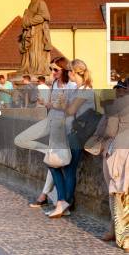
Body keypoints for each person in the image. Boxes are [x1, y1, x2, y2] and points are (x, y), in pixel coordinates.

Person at [14, 56, 74, 209]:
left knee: (52, 162)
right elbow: (53, 105)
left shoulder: (71, 85)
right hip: (50, 120)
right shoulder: (54, 83)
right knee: (20, 139)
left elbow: (70, 109)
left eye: (55, 69)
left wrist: (50, 104)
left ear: (64, 70)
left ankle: (44, 195)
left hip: (63, 125)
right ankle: (47, 151)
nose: (52, 72)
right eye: (51, 69)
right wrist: (47, 104)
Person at [47, 59, 95, 218]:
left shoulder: (85, 90)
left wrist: (57, 105)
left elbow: (71, 109)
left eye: (69, 71)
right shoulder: (78, 89)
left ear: (74, 72)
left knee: (65, 167)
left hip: (78, 135)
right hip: (69, 132)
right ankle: (63, 202)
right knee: (58, 166)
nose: (67, 74)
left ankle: (63, 202)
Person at [95, 80, 129, 249]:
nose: (118, 92)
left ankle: (119, 233)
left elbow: (108, 131)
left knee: (115, 192)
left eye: (121, 89)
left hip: (118, 150)